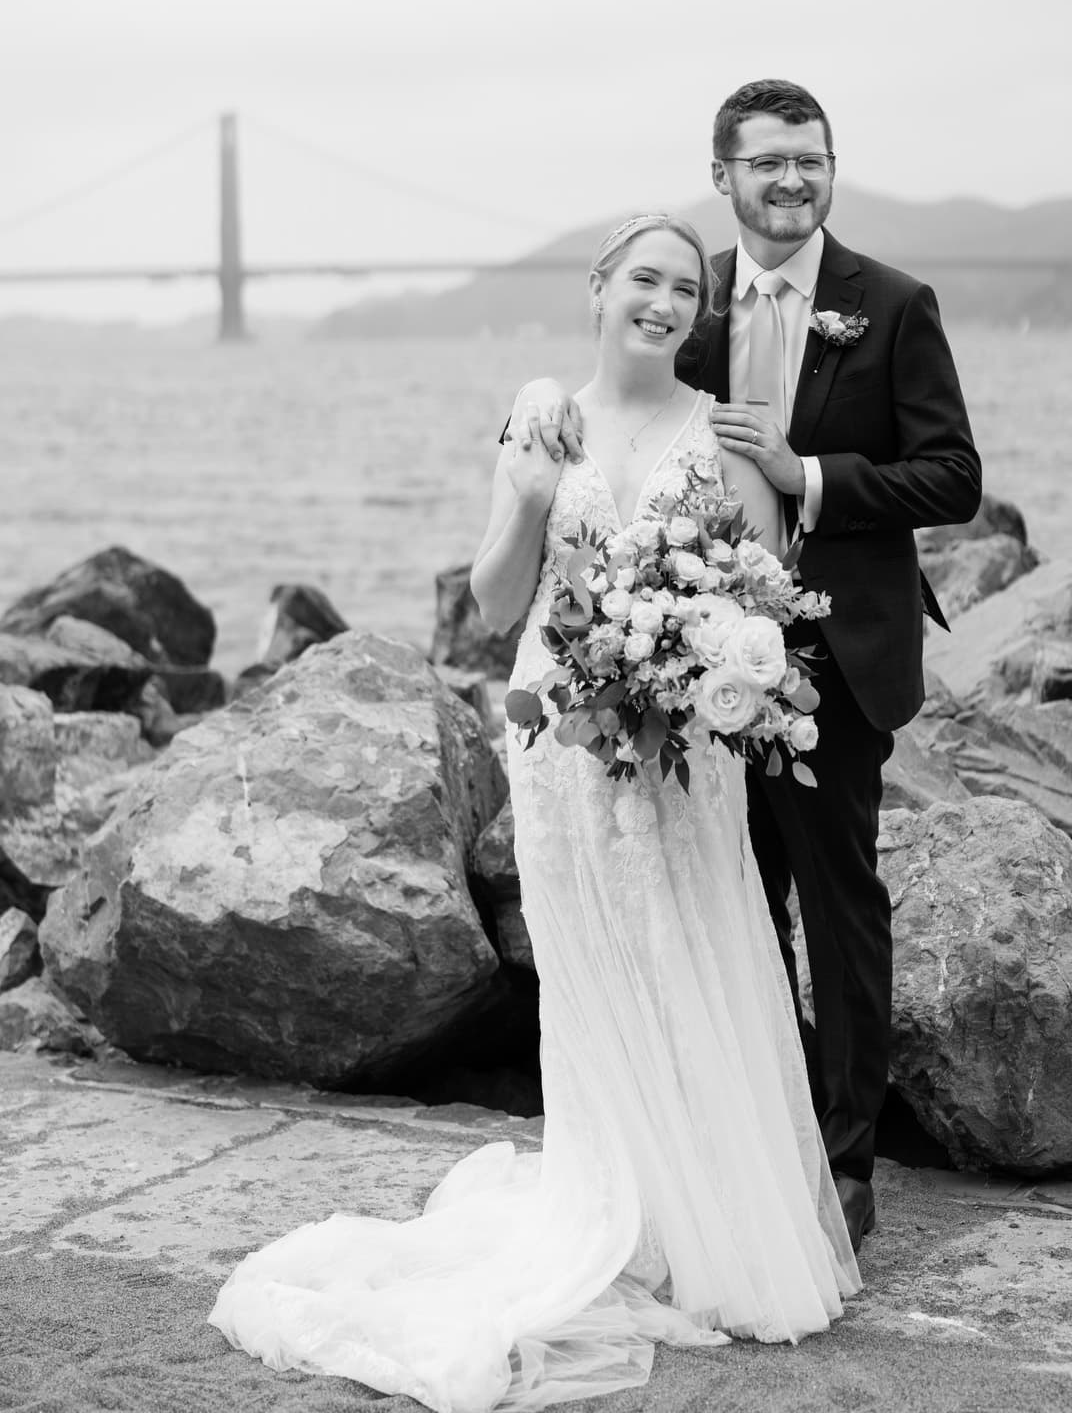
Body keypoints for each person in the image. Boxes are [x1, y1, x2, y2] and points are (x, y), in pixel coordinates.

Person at [209, 209, 860, 1413]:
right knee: (595, 969)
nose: (664, 302)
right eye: (643, 281)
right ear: (598, 289)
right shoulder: (540, 417)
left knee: (692, 951)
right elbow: (498, 592)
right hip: (557, 736)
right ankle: (611, 1204)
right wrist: (522, 493)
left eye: (683, 287)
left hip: (680, 753)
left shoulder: (719, 436)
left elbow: (762, 608)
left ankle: (706, 1222)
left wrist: (702, 661)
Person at [514, 77, 982, 1254]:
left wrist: (806, 468)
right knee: (726, 901)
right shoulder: (691, 298)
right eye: (765, 161)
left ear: (830, 169)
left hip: (837, 655)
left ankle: (843, 1161)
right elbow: (616, 390)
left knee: (837, 907)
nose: (790, 180)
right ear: (722, 175)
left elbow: (951, 476)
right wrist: (530, 399)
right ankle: (751, 1145)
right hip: (689, 668)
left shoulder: (891, 304)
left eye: (810, 160)